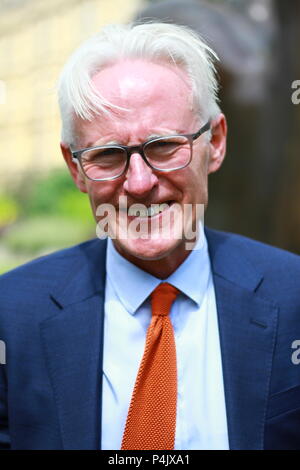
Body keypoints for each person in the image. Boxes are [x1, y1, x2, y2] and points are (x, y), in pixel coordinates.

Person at [1, 22, 300, 451]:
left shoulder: (294, 299)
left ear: (214, 143)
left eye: (163, 146)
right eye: (107, 155)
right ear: (75, 168)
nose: (139, 183)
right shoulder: (10, 318)